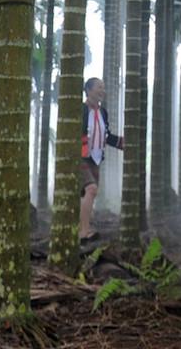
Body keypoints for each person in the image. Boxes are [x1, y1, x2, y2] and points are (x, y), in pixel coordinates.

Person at [78, 76, 123, 242]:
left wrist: (122, 143)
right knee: (91, 190)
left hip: (95, 158)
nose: (102, 91)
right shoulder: (81, 110)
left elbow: (106, 136)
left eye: (103, 87)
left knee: (86, 194)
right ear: (89, 90)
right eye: (99, 87)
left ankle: (82, 227)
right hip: (81, 157)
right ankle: (84, 232)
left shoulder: (103, 112)